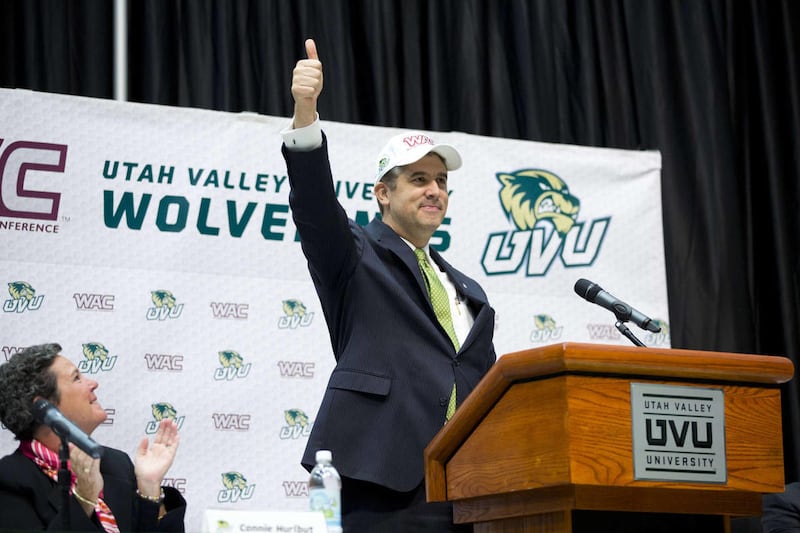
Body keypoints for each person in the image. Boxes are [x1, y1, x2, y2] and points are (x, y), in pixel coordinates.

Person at [281, 38, 497, 531]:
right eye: (419, 179)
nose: (435, 190)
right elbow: (314, 205)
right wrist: (305, 114)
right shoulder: (354, 255)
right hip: (376, 478)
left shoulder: (470, 292)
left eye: (441, 181)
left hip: (468, 484)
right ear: (383, 193)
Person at [0, 343, 186, 531]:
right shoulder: (9, 478)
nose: (93, 383)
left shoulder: (116, 463)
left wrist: (149, 487)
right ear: (43, 407)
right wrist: (84, 497)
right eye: (76, 378)